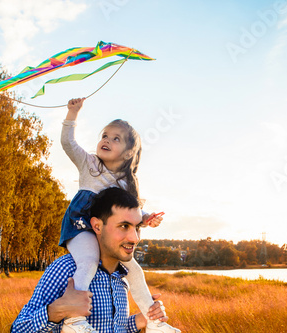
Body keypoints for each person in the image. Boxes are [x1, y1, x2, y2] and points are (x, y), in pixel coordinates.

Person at [58, 98, 180, 333]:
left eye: (116, 139)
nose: (107, 140)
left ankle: (154, 322)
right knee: (89, 260)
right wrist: (72, 114)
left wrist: (146, 218)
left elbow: (128, 212)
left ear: (127, 153)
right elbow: (67, 142)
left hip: (105, 232)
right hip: (81, 224)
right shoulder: (88, 163)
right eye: (105, 135)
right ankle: (74, 320)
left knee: (135, 270)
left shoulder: (126, 182)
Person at [11, 187, 172, 332]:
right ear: (97, 226)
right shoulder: (66, 269)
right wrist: (57, 310)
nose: (135, 238)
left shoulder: (122, 277)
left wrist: (142, 319)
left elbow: (114, 328)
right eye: (124, 226)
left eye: (136, 227)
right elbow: (18, 329)